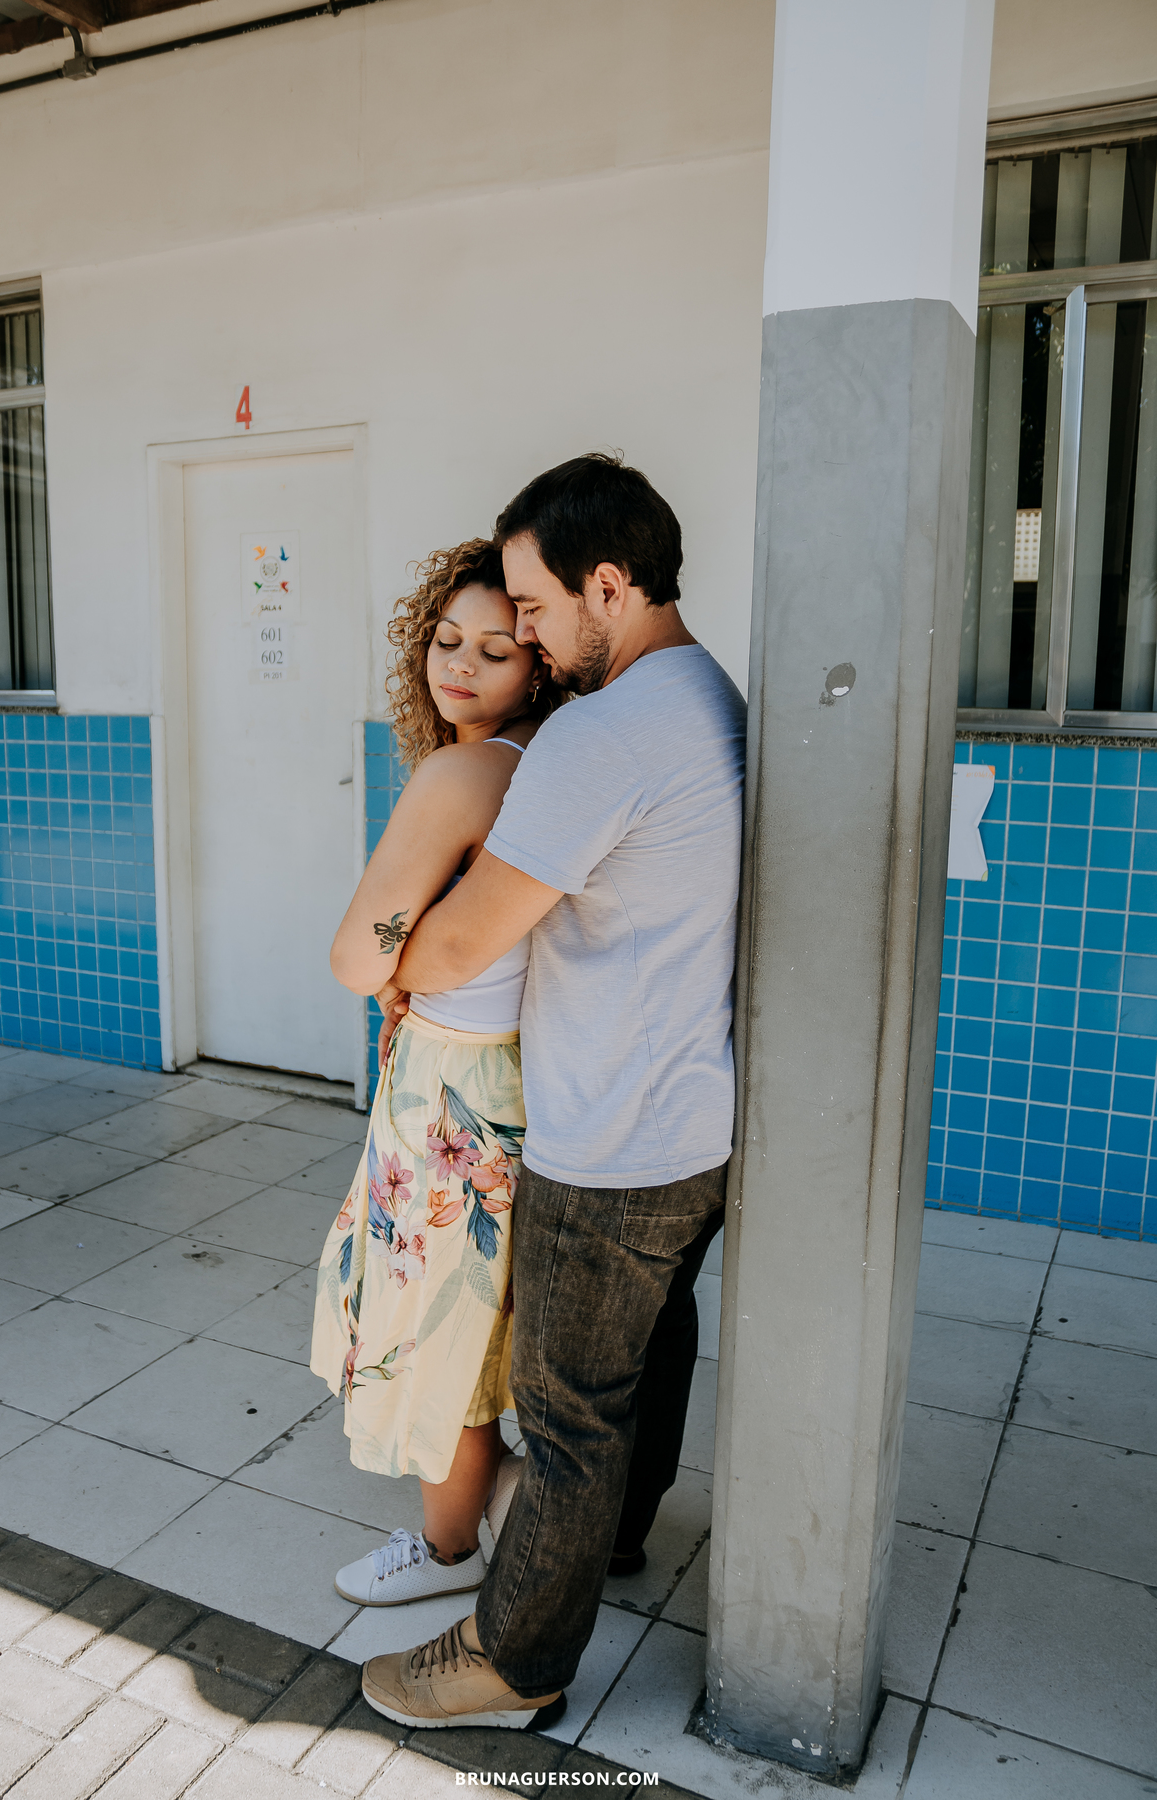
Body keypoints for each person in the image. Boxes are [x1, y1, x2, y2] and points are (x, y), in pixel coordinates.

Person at [360, 452, 745, 1732]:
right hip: (695, 1115)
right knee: (649, 1356)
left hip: (612, 1131)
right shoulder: (709, 692)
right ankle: (617, 1542)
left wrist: (397, 974)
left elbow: (464, 942)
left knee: (570, 1413)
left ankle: (513, 1660)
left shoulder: (604, 730)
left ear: (610, 583)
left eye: (530, 608)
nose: (520, 633)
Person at [310, 539, 557, 1609]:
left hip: (448, 1089)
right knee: (476, 1318)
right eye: (445, 640)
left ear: (539, 662)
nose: (457, 665)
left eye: (494, 649)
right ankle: (493, 1505)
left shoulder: (462, 773)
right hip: (512, 1081)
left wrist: (393, 976)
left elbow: (353, 957)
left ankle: (451, 1553)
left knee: (434, 1325)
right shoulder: (547, 759)